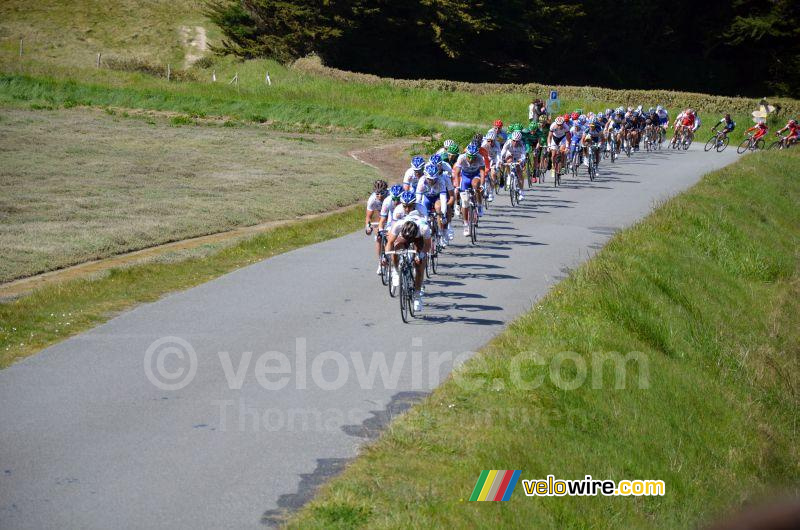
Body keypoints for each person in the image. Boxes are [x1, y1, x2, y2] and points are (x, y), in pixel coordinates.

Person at [387, 192, 431, 312]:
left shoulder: (424, 227)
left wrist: (421, 255)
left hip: (419, 237)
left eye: (409, 206)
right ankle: (396, 270)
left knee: (419, 266)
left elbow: (428, 245)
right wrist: (388, 256)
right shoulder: (399, 224)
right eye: (405, 206)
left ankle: (417, 296)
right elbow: (390, 242)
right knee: (396, 248)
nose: (407, 208)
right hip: (404, 234)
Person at [452, 143, 486, 237]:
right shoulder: (461, 158)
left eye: (473, 157)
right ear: (466, 154)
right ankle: (466, 225)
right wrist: (458, 187)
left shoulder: (479, 158)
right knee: (465, 202)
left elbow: (482, 172)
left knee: (476, 185)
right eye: (469, 156)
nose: (471, 159)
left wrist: (482, 185)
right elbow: (457, 174)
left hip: (475, 176)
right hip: (465, 177)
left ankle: (479, 205)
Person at [364, 179, 388, 274]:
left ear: (386, 191)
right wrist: (368, 227)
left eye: (382, 193)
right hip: (380, 213)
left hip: (391, 213)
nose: (380, 196)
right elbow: (368, 217)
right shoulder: (372, 200)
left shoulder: (390, 197)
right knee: (379, 236)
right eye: (377, 194)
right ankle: (380, 262)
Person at [501, 130, 527, 199]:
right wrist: (501, 160)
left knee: (519, 172)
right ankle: (509, 175)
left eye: (517, 141)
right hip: (510, 155)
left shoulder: (521, 144)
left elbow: (524, 155)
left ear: (520, 140)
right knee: (508, 161)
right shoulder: (508, 142)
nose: (515, 142)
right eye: (514, 140)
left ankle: (521, 192)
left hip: (518, 157)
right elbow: (503, 152)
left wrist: (521, 160)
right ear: (511, 139)